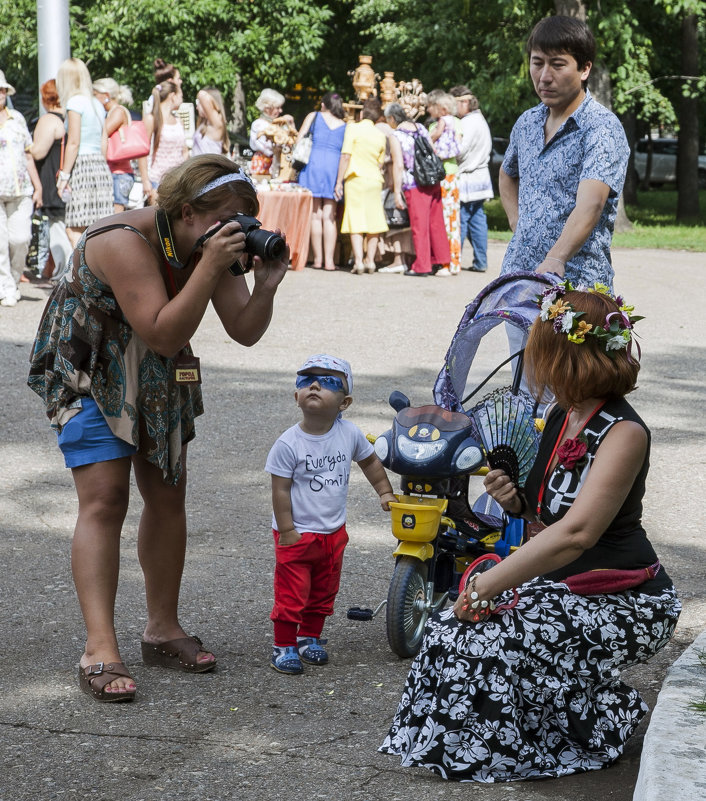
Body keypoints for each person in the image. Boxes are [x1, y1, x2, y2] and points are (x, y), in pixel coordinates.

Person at [380, 283, 680, 781]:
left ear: (564, 355)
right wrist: (514, 499)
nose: (531, 362)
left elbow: (576, 534)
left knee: (490, 635)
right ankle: (475, 748)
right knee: (453, 629)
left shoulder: (624, 432)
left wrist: (484, 585)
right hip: (564, 585)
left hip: (625, 599)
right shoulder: (563, 415)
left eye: (538, 350)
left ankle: (598, 720)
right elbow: (545, 520)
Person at [27, 154, 289, 702]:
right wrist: (211, 267)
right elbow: (163, 332)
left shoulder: (205, 243)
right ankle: (99, 647)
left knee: (169, 493)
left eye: (246, 221)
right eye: (228, 220)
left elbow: (243, 329)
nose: (237, 233)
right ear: (187, 211)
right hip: (92, 364)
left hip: (155, 367)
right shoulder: (124, 240)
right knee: (104, 498)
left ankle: (162, 629)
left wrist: (263, 286)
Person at [265, 354, 395, 675]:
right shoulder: (288, 444)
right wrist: (287, 529)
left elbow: (370, 463)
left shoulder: (349, 433)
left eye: (328, 382)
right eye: (305, 380)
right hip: (296, 532)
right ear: (296, 395)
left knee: (323, 590)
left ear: (344, 401)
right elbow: (279, 490)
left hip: (333, 533)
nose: (314, 385)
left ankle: (310, 637)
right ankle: (283, 645)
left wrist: (385, 491)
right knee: (292, 592)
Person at [499, 15, 629, 289]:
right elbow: (507, 173)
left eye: (557, 65)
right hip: (520, 280)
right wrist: (517, 223)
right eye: (537, 63)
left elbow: (591, 203)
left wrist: (557, 257)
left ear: (584, 69)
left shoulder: (601, 127)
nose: (545, 76)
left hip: (576, 290)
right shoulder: (527, 122)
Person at [384, 102, 450, 277]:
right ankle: (440, 261)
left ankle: (421, 266)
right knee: (436, 223)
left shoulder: (396, 135)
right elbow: (432, 150)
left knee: (419, 226)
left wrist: (397, 192)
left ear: (392, 118)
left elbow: (398, 165)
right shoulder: (420, 127)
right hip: (432, 180)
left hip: (414, 183)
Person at [55, 58, 113, 249]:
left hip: (82, 166)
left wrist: (64, 176)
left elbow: (73, 142)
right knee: (97, 229)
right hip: (100, 166)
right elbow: (103, 140)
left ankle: (84, 275)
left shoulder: (74, 102)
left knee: (74, 230)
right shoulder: (96, 103)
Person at [0, 68, 43, 306]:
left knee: (20, 239)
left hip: (21, 190)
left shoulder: (17, 118)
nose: (0, 93)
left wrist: (38, 187)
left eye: (2, 90)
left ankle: (13, 280)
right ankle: (5, 286)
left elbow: (29, 156)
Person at [334, 101, 388, 274]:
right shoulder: (380, 135)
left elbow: (345, 156)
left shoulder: (353, 128)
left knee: (355, 219)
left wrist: (338, 182)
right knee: (374, 220)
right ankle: (370, 261)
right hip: (374, 180)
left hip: (355, 178)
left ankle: (358, 261)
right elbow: (380, 163)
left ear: (362, 114)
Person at [295, 91, 346, 271]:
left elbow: (299, 138)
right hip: (333, 168)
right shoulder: (345, 125)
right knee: (330, 216)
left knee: (315, 214)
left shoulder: (314, 116)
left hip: (313, 165)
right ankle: (330, 262)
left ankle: (317, 260)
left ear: (323, 104)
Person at [30, 79, 72, 284]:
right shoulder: (69, 118)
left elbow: (38, 152)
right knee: (65, 228)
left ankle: (63, 274)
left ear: (46, 97)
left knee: (58, 230)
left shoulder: (49, 120)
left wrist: (23, 147)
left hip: (52, 181)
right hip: (67, 180)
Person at [449, 85, 494, 273]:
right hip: (480, 177)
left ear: (465, 102)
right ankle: (481, 261)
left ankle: (455, 261)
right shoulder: (480, 120)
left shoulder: (468, 123)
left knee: (463, 219)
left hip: (468, 177)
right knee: (477, 219)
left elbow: (459, 150)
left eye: (455, 104)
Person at [427, 90, 462, 276]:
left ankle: (445, 262)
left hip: (441, 175)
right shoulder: (457, 123)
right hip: (453, 174)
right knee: (453, 219)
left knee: (443, 219)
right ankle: (454, 261)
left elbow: (430, 140)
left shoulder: (438, 124)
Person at [93, 77, 139, 212]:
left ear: (106, 96)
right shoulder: (111, 112)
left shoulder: (118, 111)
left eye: (95, 95)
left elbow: (102, 131)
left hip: (119, 174)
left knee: (115, 218)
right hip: (115, 173)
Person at [145, 81, 187, 204]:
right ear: (172, 96)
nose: (182, 100)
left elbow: (184, 151)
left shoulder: (179, 121)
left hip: (178, 180)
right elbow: (143, 152)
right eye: (180, 96)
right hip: (157, 180)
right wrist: (145, 181)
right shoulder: (151, 119)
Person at [249, 89, 294, 177]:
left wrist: (291, 125)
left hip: (278, 164)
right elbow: (268, 148)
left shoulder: (280, 124)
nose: (281, 111)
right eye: (277, 108)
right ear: (267, 108)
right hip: (263, 165)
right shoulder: (258, 125)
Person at [193, 87, 230, 156]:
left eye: (199, 102)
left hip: (209, 166)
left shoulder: (217, 123)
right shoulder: (203, 123)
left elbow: (202, 94)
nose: (197, 107)